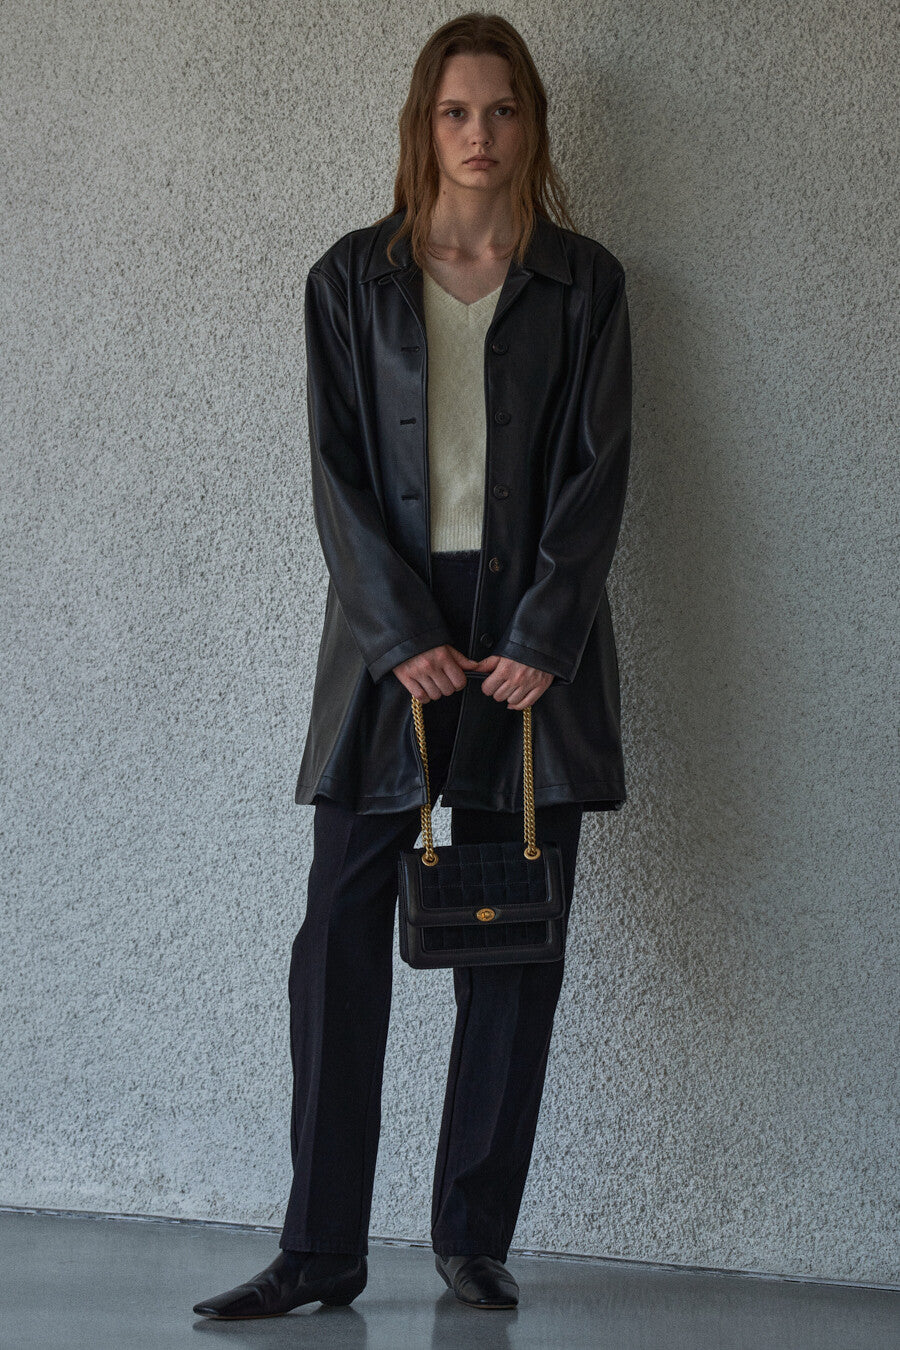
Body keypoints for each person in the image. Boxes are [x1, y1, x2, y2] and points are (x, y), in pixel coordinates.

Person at [193, 11, 632, 1320]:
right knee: (337, 938)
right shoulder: (351, 279)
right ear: (422, 126)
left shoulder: (586, 284)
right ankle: (319, 1249)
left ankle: (471, 1238)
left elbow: (599, 472)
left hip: (530, 645)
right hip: (390, 642)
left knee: (513, 941)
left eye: (500, 110)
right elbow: (335, 478)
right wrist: (401, 637)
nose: (478, 134)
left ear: (531, 124)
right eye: (455, 112)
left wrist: (543, 636)